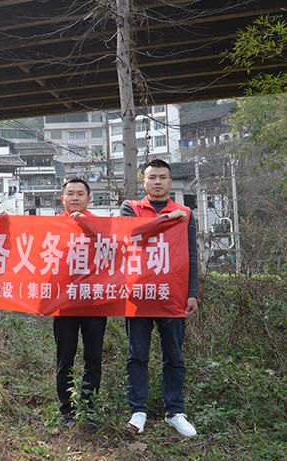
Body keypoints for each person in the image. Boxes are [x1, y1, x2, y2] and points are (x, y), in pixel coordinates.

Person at [120, 158, 199, 437]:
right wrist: (167, 219)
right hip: (138, 294)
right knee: (137, 356)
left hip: (172, 294)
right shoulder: (130, 208)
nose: (157, 182)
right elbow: (133, 233)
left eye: (162, 177)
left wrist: (192, 292)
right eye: (152, 177)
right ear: (144, 181)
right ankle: (138, 411)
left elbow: (191, 254)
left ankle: (175, 412)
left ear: (170, 181)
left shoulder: (185, 213)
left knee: (174, 356)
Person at [54, 178, 106, 432]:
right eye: (70, 194)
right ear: (62, 198)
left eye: (80, 194)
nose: (75, 198)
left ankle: (89, 408)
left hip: (94, 302)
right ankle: (67, 410)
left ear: (89, 198)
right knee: (65, 358)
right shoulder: (52, 226)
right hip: (64, 302)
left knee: (93, 358)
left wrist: (86, 225)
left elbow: (117, 249)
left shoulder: (101, 225)